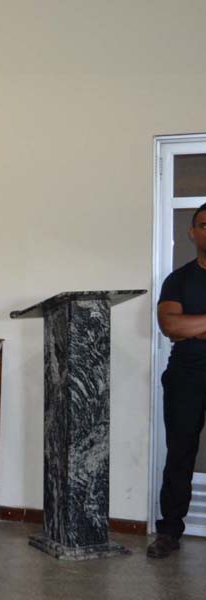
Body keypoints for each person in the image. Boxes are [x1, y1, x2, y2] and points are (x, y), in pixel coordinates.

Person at [149, 202, 206, 558]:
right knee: (180, 453)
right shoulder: (178, 280)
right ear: (193, 232)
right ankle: (170, 531)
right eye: (205, 225)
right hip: (186, 376)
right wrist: (185, 329)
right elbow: (170, 326)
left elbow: (184, 326)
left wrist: (194, 326)